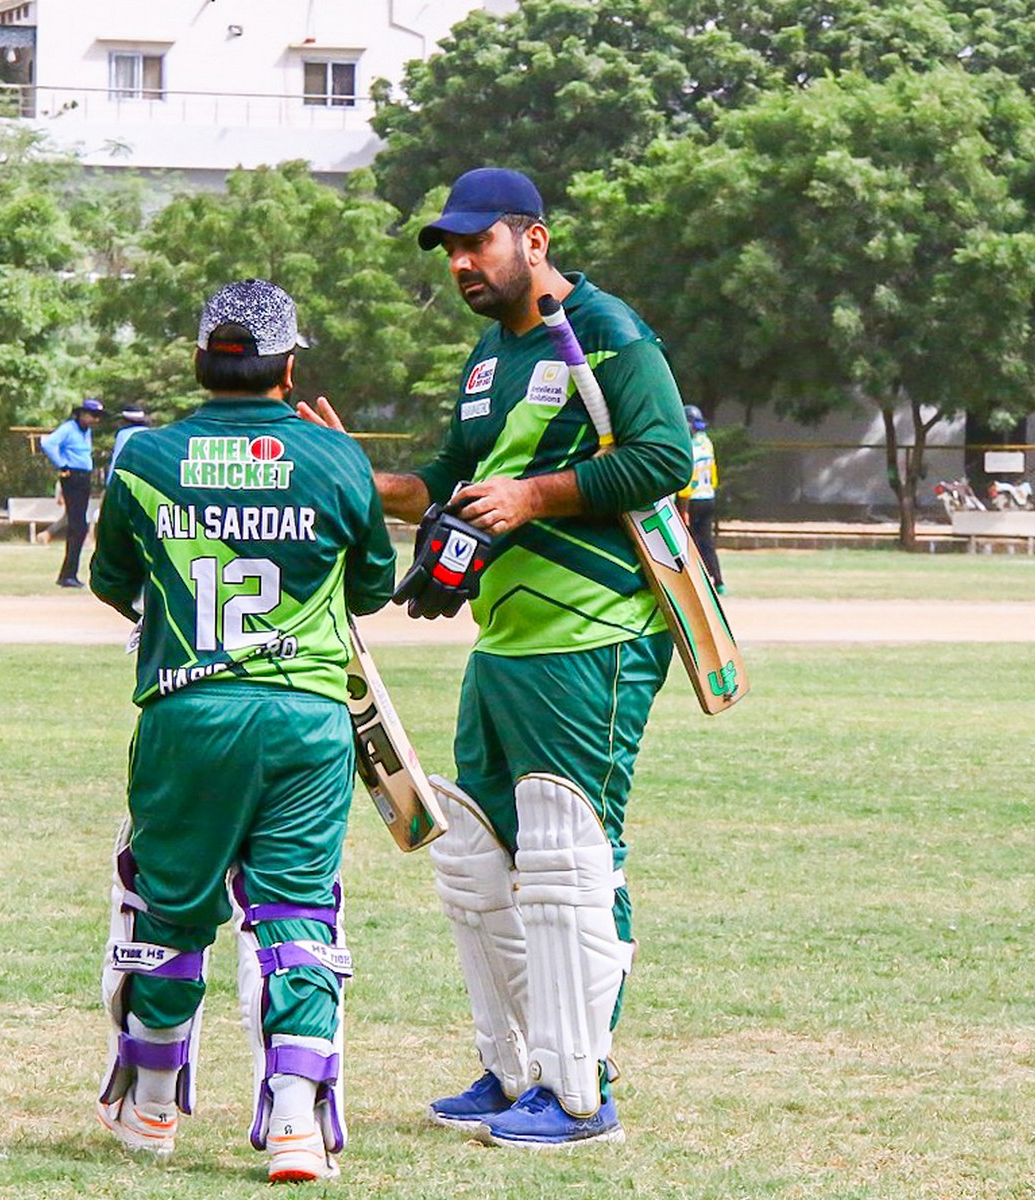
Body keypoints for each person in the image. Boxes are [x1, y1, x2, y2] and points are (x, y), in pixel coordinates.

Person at [300, 167, 693, 1149]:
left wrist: (532, 497)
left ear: (535, 240)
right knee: (479, 860)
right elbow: (447, 482)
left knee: (571, 857)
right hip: (507, 640)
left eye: (479, 243)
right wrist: (355, 475)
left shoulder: (607, 331)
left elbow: (662, 459)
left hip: (596, 633)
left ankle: (581, 1090)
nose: (463, 264)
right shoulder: (489, 355)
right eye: (452, 250)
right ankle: (518, 1069)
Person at [88, 279, 396, 1181]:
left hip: (188, 713)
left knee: (169, 905)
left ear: (199, 361)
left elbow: (113, 582)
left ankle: (151, 1108)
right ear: (288, 365)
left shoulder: (144, 455)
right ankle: (296, 1122)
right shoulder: (337, 459)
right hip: (306, 718)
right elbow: (372, 587)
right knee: (297, 912)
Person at [38, 398, 104, 587]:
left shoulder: (86, 431)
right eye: (93, 415)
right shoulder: (69, 428)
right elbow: (48, 444)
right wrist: (62, 464)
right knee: (77, 526)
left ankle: (69, 573)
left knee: (79, 526)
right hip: (73, 476)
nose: (96, 419)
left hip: (83, 477)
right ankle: (67, 575)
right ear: (82, 414)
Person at [677, 404, 725, 593]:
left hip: (693, 500)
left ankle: (698, 582)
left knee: (690, 543)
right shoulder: (707, 443)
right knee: (707, 542)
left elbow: (687, 483)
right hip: (709, 496)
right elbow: (713, 473)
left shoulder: (688, 447)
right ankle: (718, 581)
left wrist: (683, 509)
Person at [105, 406, 150, 482]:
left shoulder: (123, 434)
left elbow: (117, 457)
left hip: (127, 477)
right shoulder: (149, 433)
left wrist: (110, 480)